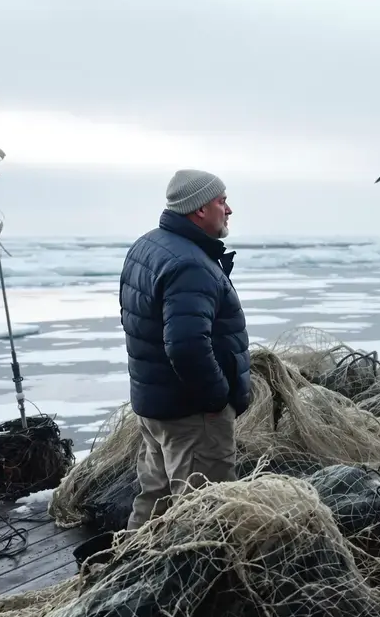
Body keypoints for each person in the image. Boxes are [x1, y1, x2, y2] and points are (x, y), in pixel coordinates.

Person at [119, 168, 250, 530]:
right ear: (198, 210)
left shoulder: (148, 245)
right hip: (192, 415)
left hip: (155, 404)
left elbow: (136, 322)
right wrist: (216, 399)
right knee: (206, 517)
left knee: (155, 504)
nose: (229, 209)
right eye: (221, 201)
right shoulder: (190, 264)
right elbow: (188, 346)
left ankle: (131, 574)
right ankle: (202, 584)